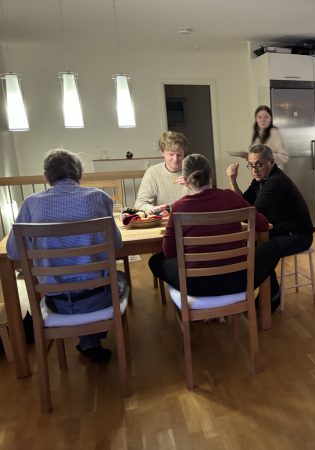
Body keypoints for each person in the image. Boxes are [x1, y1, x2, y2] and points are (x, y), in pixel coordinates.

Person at [6, 149, 128, 363]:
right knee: (120, 278)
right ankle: (91, 339)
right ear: (79, 173)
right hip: (99, 299)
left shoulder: (31, 204)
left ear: (47, 176)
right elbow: (117, 244)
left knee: (81, 285)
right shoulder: (99, 198)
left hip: (57, 302)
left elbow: (13, 252)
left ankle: (88, 342)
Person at [149, 153, 271, 296]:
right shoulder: (230, 196)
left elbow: (169, 252)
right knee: (270, 250)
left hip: (197, 286)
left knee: (155, 261)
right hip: (237, 281)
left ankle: (189, 304)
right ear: (212, 173)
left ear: (186, 181)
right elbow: (263, 225)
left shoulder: (178, 207)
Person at [226, 144, 314, 311]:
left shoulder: (275, 182)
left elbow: (251, 214)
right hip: (280, 230)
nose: (254, 170)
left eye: (259, 165)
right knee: (252, 246)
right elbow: (244, 202)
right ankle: (268, 294)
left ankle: (256, 295)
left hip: (298, 236)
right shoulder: (260, 180)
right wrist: (233, 181)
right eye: (251, 165)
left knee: (264, 249)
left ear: (271, 162)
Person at [134, 131, 190, 212]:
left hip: (190, 216)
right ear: (162, 153)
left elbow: (205, 201)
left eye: (179, 155)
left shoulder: (193, 171)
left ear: (184, 153)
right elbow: (139, 204)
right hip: (164, 217)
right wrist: (154, 209)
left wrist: (192, 185)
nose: (175, 159)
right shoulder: (153, 173)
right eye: (171, 154)